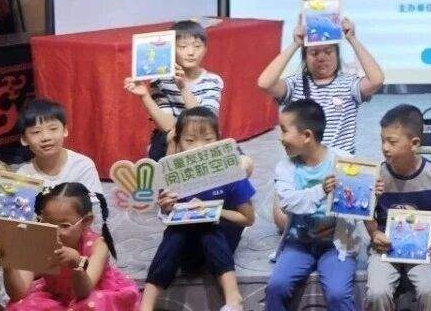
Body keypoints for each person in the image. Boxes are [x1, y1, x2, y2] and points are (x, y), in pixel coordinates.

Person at [0, 99, 105, 311]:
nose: (46, 137)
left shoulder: (82, 165)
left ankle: (8, 282)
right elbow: (14, 221)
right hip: (33, 242)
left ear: (65, 130)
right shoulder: (22, 174)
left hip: (70, 241)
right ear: (23, 139)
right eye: (36, 132)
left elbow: (91, 217)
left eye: (53, 129)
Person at [140, 107, 256, 311]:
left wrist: (214, 211)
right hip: (187, 250)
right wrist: (166, 208)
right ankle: (145, 306)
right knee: (174, 233)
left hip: (221, 242)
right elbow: (168, 217)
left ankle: (233, 298)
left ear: (218, 139)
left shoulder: (230, 171)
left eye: (208, 139)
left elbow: (248, 219)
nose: (199, 147)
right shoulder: (173, 175)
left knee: (206, 225)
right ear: (178, 141)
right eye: (190, 140)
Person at [265, 99, 361, 311]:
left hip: (336, 246)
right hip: (299, 243)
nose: (280, 138)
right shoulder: (285, 167)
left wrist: (372, 194)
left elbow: (358, 205)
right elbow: (288, 202)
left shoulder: (345, 161)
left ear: (307, 135)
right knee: (276, 286)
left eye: (284, 130)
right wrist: (321, 190)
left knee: (338, 293)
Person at [364, 105, 431, 311]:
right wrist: (374, 233)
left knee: (430, 291)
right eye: (382, 140)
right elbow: (365, 213)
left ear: (414, 143)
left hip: (422, 250)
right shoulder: (377, 175)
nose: (385, 147)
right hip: (385, 249)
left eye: (392, 142)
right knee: (377, 292)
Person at [257, 15, 384, 155]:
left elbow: (376, 80)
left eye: (328, 52)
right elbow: (265, 83)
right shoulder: (295, 84)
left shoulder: (349, 83)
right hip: (305, 160)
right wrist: (295, 44)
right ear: (305, 57)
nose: (322, 58)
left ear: (337, 55)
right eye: (314, 53)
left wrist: (352, 39)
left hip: (339, 161)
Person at [0, 183, 139, 310]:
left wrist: (77, 263)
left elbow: (83, 292)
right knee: (20, 306)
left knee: (91, 304)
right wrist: (7, 261)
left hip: (91, 294)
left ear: (86, 221)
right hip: (54, 296)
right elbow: (18, 294)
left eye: (65, 225)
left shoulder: (98, 245)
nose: (55, 231)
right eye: (48, 223)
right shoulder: (41, 241)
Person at [124, 20, 224, 160]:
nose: (191, 52)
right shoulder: (160, 81)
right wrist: (145, 95)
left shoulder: (213, 81)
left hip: (202, 138)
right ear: (170, 50)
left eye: (197, 46)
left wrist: (183, 88)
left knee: (240, 157)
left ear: (205, 49)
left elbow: (206, 122)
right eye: (182, 46)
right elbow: (167, 126)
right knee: (173, 137)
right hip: (169, 138)